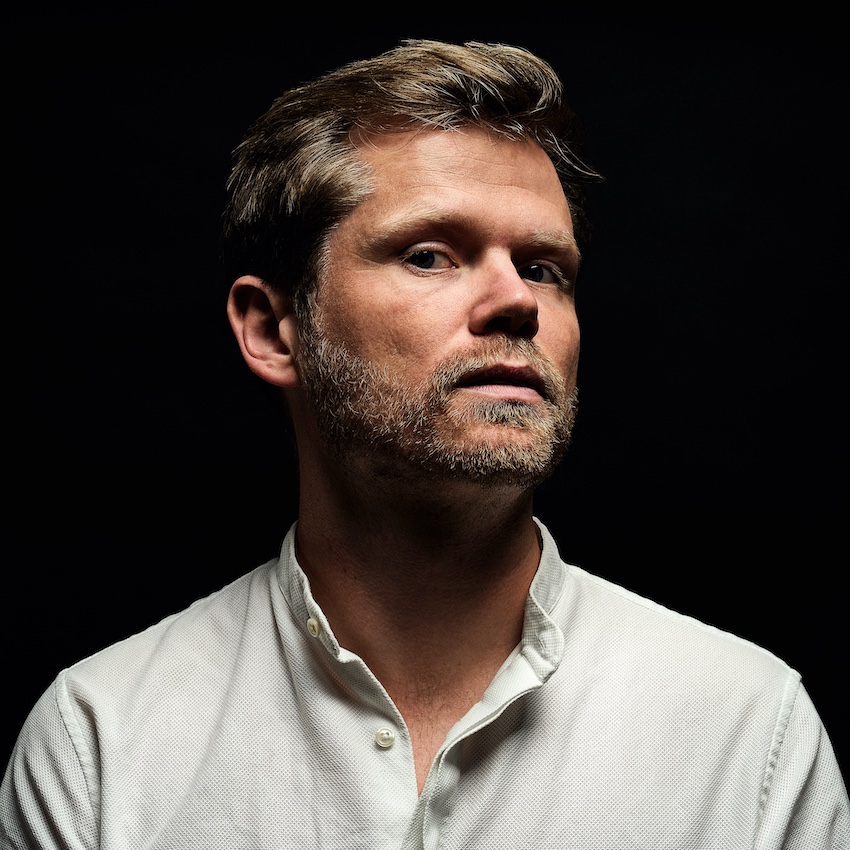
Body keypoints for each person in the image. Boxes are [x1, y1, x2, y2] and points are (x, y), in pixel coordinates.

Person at [1, 38, 847, 850]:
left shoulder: (746, 734)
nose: (515, 301)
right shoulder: (99, 747)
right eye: (432, 254)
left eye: (544, 267)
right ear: (273, 329)